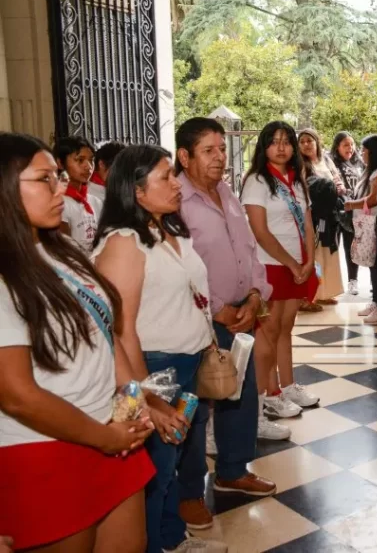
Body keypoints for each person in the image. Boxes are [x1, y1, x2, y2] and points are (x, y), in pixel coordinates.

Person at [0, 133, 154, 552]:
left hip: (110, 430)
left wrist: (131, 399)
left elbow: (103, 332)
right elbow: (16, 395)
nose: (61, 187)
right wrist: (104, 437)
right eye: (44, 179)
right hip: (50, 448)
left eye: (58, 176)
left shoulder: (63, 247)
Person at [92, 145, 226, 553]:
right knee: (152, 471)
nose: (175, 183)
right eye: (166, 176)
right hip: (150, 368)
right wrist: (145, 396)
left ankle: (170, 538)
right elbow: (120, 331)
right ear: (135, 190)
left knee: (169, 464)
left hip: (182, 364)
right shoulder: (124, 243)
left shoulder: (166, 229)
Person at [175, 118, 281, 530]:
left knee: (241, 392)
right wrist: (218, 310)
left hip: (243, 312)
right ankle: (187, 493)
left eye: (222, 148)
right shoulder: (177, 201)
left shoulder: (227, 194)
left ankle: (234, 470)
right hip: (204, 318)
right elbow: (182, 267)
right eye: (209, 150)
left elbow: (248, 251)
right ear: (185, 157)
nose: (220, 157)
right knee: (197, 406)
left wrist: (256, 297)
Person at [242, 122, 320, 420]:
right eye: (274, 142)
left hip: (297, 264)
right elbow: (260, 231)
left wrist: (309, 260)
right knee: (268, 331)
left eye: (287, 141)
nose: (282, 147)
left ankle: (287, 386)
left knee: (286, 327)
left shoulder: (297, 180)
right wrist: (291, 263)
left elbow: (308, 222)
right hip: (270, 265)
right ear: (264, 147)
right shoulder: (257, 182)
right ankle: (268, 394)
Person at [344, 135, 377, 325]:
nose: (361, 153)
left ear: (373, 152)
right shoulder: (370, 171)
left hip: (376, 223)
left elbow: (373, 199)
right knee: (374, 264)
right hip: (367, 223)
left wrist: (350, 205)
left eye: (364, 150)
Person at [298, 128, 344, 310]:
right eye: (302, 142)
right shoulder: (301, 164)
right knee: (314, 255)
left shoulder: (325, 159)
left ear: (317, 142)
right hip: (312, 216)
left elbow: (336, 177)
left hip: (329, 215)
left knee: (328, 254)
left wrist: (338, 186)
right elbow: (300, 189)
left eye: (309, 140)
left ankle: (324, 293)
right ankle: (308, 297)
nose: (306, 145)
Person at [55, 136, 103, 253]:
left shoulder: (95, 202)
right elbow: (64, 249)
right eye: (80, 160)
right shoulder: (58, 203)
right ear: (60, 163)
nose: (88, 166)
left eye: (91, 160)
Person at [330, 131, 364, 296]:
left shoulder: (359, 163)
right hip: (334, 211)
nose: (350, 148)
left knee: (351, 248)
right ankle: (331, 283)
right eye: (345, 145)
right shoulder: (331, 163)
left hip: (352, 211)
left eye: (351, 144)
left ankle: (353, 281)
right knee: (331, 249)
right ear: (337, 147)